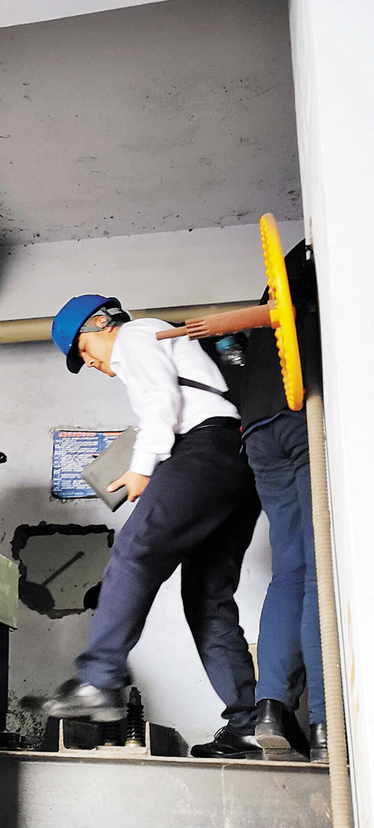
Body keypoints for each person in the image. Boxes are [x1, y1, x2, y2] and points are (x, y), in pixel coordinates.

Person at [23, 294, 262, 758]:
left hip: (204, 448)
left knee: (135, 550)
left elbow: (160, 399)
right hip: (236, 458)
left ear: (101, 324)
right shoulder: (155, 340)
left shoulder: (135, 333)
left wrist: (142, 467)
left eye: (83, 351)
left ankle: (99, 679)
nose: (89, 363)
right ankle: (248, 727)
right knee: (207, 598)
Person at [241, 241, 326, 763]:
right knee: (319, 571)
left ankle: (271, 708)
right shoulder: (324, 282)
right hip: (303, 411)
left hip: (257, 430)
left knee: (289, 572)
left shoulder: (269, 298)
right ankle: (324, 724)